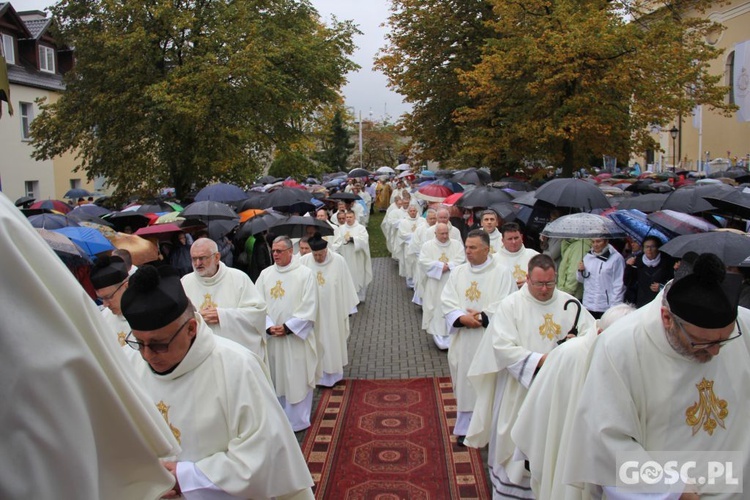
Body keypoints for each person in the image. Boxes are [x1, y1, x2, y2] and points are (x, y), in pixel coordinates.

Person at [0, 193, 179, 499]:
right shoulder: (100, 319)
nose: (106, 305)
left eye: (110, 298)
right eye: (103, 299)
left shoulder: (155, 310)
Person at [565, 253, 750, 498]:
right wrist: (671, 487)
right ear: (667, 319)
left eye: (723, 341)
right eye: (702, 343)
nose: (716, 352)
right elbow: (605, 440)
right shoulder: (620, 346)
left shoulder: (744, 326)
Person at [121, 264, 314, 499]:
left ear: (191, 328)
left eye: (159, 344)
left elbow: (264, 454)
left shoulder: (237, 367)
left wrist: (187, 477)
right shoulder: (128, 364)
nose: (147, 355)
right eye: (139, 343)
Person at [466, 254, 597, 498]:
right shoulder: (511, 306)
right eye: (539, 284)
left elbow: (592, 337)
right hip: (521, 390)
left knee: (553, 442)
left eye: (550, 283)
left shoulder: (571, 304)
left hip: (559, 393)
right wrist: (543, 360)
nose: (545, 290)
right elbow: (502, 347)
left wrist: (575, 344)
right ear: (527, 279)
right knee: (516, 445)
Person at [511, 303, 635, 500]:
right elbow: (539, 406)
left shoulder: (630, 360)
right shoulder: (567, 354)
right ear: (601, 332)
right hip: (563, 450)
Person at [441, 229, 517, 446]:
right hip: (464, 339)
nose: (468, 251)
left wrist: (483, 317)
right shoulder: (458, 273)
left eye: (473, 247)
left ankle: (488, 427)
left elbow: (507, 302)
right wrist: (461, 317)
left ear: (486, 249)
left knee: (488, 381)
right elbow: (447, 299)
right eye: (466, 246)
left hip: (488, 337)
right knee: (465, 382)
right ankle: (465, 428)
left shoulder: (502, 273)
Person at [256, 236, 319, 431]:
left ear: (290, 251)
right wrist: (268, 325)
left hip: (295, 339)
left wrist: (288, 327)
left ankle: (298, 420)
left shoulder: (305, 274)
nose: (275, 255)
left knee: (296, 378)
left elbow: (310, 306)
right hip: (273, 339)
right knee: (276, 377)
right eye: (273, 251)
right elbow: (256, 305)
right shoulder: (265, 275)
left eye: (279, 251)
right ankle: (279, 418)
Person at [181, 238, 268, 361]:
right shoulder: (185, 282)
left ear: (217, 257)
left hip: (232, 357)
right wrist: (197, 317)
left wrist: (223, 315)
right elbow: (178, 318)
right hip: (199, 356)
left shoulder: (239, 278)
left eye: (202, 258)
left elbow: (258, 312)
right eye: (194, 259)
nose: (197, 263)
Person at [300, 232, 359, 387]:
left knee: (333, 340)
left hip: (334, 311)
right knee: (315, 342)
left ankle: (333, 375)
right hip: (313, 313)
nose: (318, 258)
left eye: (321, 254)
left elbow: (346, 283)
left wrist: (349, 308)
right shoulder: (304, 261)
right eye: (316, 255)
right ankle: (317, 376)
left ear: (326, 250)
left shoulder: (338, 261)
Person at [419, 222, 466, 349]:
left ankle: (453, 333)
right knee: (436, 307)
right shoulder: (427, 246)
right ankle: (438, 335)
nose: (445, 236)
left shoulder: (456, 244)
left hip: (453, 282)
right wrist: (440, 266)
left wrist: (449, 266)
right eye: (442, 234)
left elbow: (462, 259)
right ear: (435, 233)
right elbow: (423, 262)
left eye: (446, 233)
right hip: (435, 283)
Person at [577, 237, 625, 318]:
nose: (595, 244)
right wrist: (580, 271)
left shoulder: (616, 258)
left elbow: (619, 284)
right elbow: (581, 279)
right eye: (593, 241)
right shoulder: (587, 257)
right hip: (588, 304)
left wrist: (615, 307)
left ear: (606, 241)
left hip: (606, 306)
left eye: (598, 241)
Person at [331, 210, 373, 302]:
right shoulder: (341, 228)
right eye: (347, 217)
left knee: (358, 276)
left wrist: (353, 240)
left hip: (357, 257)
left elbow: (364, 240)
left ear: (354, 217)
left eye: (350, 217)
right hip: (345, 256)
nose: (348, 219)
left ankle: (359, 297)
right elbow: (338, 241)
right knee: (347, 277)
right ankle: (350, 298)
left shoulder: (360, 228)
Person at [90, 255, 131, 347]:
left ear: (126, 287)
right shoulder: (103, 319)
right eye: (101, 298)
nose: (105, 304)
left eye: (108, 297)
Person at [624, 235, 674, 307]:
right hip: (641, 301)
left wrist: (661, 287)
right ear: (643, 248)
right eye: (646, 247)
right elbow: (627, 282)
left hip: (659, 301)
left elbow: (671, 280)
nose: (649, 249)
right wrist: (629, 267)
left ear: (658, 248)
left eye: (652, 247)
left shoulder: (667, 261)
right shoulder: (637, 261)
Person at [495, 222, 540, 289]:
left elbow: (545, 278)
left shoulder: (535, 256)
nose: (514, 242)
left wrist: (529, 282)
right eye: (510, 239)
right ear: (502, 240)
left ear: (521, 237)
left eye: (516, 238)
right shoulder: (494, 260)